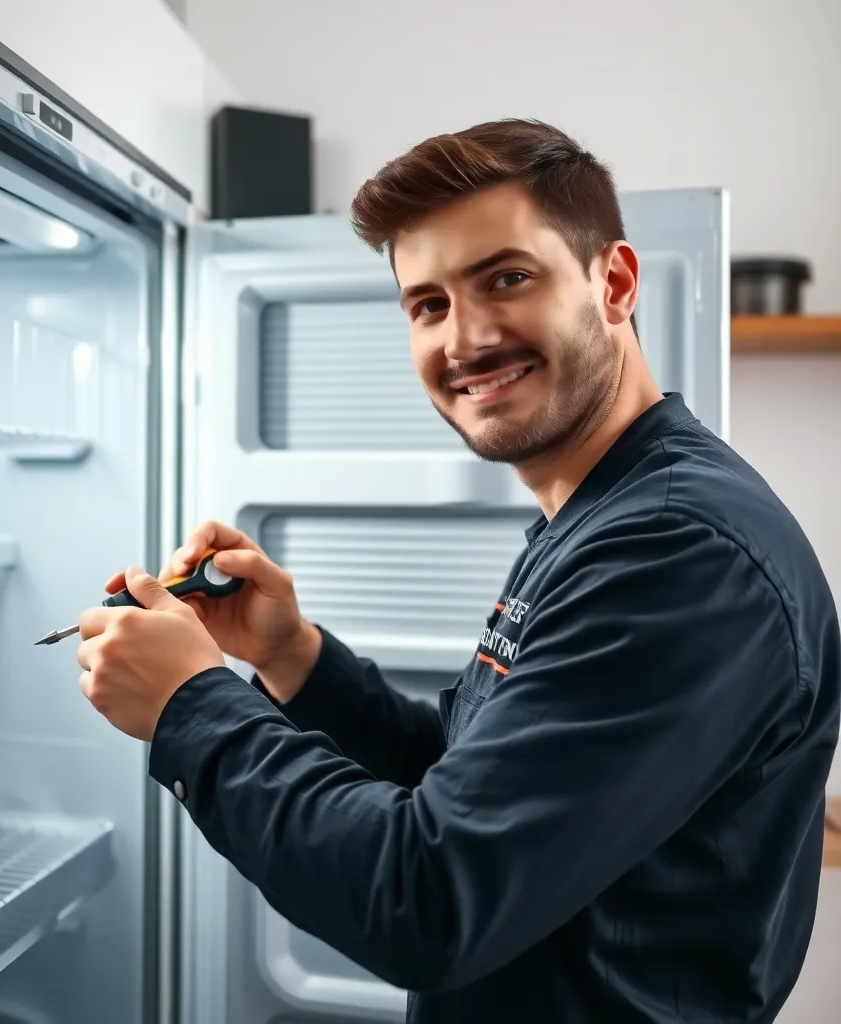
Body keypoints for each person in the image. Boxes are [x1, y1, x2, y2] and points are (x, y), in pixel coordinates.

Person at [74, 119, 841, 1023]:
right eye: (428, 304)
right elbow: (462, 778)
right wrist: (293, 658)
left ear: (615, 283)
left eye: (507, 279)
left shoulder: (675, 550)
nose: (466, 339)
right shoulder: (598, 515)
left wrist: (190, 706)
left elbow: (427, 899)